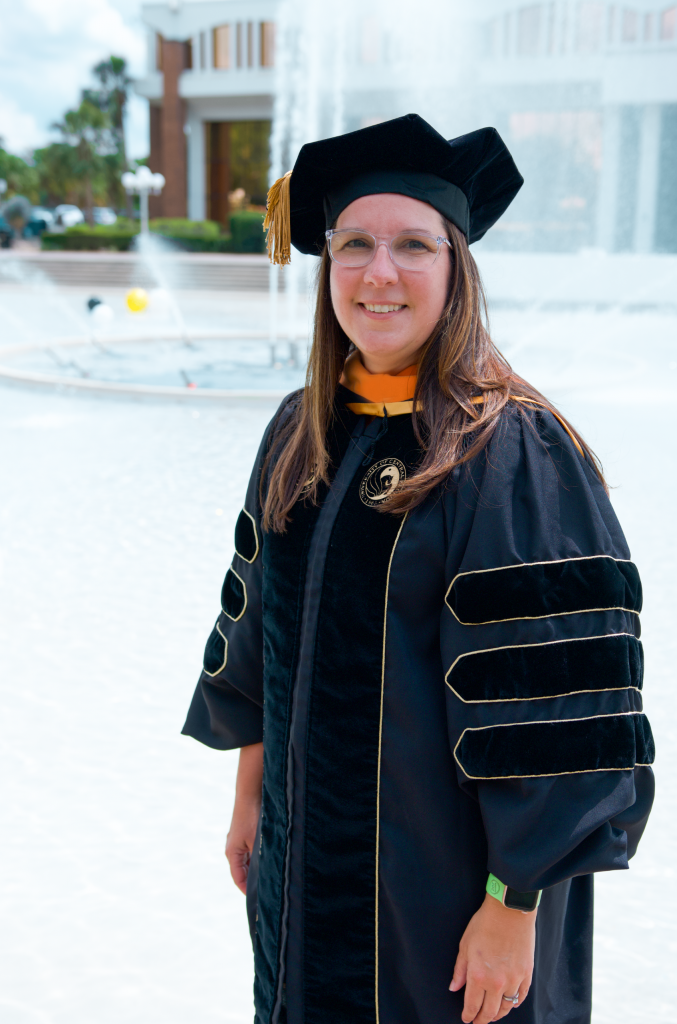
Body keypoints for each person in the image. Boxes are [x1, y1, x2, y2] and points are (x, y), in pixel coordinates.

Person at [182, 114, 654, 1024]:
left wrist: (512, 908)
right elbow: (258, 628)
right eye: (353, 245)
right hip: (302, 859)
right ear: (327, 270)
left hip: (445, 892)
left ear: (455, 268)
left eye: (412, 245)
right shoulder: (301, 427)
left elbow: (558, 710)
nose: (379, 272)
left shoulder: (508, 448)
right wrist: (251, 797)